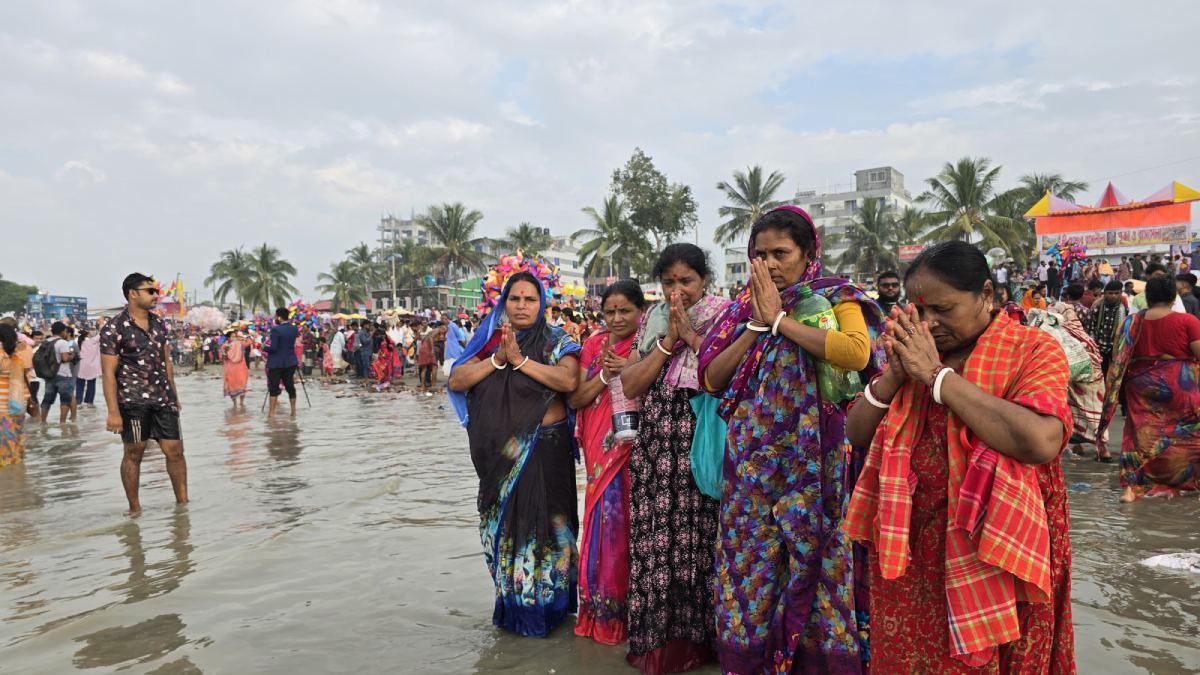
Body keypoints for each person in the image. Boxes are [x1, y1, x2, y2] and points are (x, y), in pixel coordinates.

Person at [844, 241, 1075, 672]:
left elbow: (1040, 441)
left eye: (944, 310)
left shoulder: (1033, 350)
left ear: (987, 294)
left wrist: (936, 377)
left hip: (994, 546)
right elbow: (856, 433)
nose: (930, 323)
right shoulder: (913, 354)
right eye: (921, 310)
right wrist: (895, 375)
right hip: (911, 548)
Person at [697, 206, 881, 673]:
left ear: (808, 254)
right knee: (750, 567)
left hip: (816, 463)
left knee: (818, 561)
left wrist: (780, 322)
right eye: (761, 255)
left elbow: (857, 353)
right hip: (752, 467)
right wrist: (757, 326)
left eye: (781, 253)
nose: (771, 264)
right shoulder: (743, 309)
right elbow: (712, 379)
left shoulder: (835, 296)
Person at [615, 243, 731, 674]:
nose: (677, 291)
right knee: (656, 542)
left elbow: (728, 375)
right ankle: (661, 648)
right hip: (656, 446)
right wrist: (669, 341)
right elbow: (631, 385)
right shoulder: (652, 320)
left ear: (704, 281)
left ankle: (707, 645)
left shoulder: (727, 315)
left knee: (703, 539)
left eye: (686, 281)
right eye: (668, 282)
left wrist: (694, 337)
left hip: (703, 441)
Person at [447, 271, 581, 638]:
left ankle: (547, 614)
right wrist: (498, 360)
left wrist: (521, 361)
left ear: (542, 303)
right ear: (503, 301)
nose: (522, 305)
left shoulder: (557, 340)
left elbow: (569, 381)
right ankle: (514, 613)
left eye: (530, 299)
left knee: (548, 533)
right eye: (515, 298)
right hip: (501, 461)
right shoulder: (490, 341)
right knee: (509, 534)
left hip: (545, 451)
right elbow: (457, 380)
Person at [568, 279, 647, 646]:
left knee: (635, 527)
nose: (616, 318)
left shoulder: (650, 342)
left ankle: (637, 615)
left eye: (624, 311)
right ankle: (603, 617)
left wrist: (630, 367)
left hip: (642, 448)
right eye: (609, 312)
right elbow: (577, 399)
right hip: (602, 452)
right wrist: (605, 373)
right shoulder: (593, 345)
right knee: (605, 522)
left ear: (641, 311)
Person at [1098, 277, 1200, 502]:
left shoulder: (1131, 321)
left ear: (1148, 297)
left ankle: (1131, 489)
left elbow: (1119, 356)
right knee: (1189, 433)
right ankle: (1189, 481)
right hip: (1179, 384)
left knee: (1138, 434)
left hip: (1141, 384)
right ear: (1174, 297)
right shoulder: (1188, 321)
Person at [100, 273, 187, 514]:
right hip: (132, 400)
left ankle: (183, 507)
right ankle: (134, 509)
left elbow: (166, 361)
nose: (156, 295)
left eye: (156, 291)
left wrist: (174, 395)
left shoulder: (159, 323)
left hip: (163, 398)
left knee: (175, 451)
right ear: (133, 293)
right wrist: (113, 412)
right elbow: (108, 373)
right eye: (150, 291)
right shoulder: (114, 328)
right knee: (134, 452)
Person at [1048, 289, 1110, 460]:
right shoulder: (1080, 332)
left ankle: (1083, 446)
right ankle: (1102, 448)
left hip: (1076, 378)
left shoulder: (1059, 333)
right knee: (1095, 413)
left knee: (1073, 411)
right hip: (1094, 379)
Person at [0, 324, 28, 467]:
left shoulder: (2, 356)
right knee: (16, 446)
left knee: (4, 450)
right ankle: (17, 481)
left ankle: (7, 484)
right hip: (17, 407)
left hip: (2, 410)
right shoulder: (17, 357)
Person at [264, 307, 299, 417]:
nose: (275, 318)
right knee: (290, 386)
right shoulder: (294, 329)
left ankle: (271, 414)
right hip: (291, 361)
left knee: (274, 388)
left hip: (276, 363)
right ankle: (293, 412)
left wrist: (264, 347)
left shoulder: (276, 330)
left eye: (275, 316)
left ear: (279, 317)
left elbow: (273, 348)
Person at [38, 321, 76, 424]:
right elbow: (64, 358)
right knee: (65, 400)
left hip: (49, 375)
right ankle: (62, 423)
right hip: (63, 374)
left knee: (47, 399)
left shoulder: (46, 341)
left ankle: (43, 421)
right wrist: (72, 356)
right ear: (63, 331)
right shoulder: (62, 342)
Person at [1090, 280, 1128, 377]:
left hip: (1114, 348)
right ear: (1105, 293)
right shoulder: (1097, 307)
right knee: (1098, 373)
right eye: (1110, 293)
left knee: (1111, 375)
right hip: (1098, 347)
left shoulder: (1124, 310)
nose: (1113, 296)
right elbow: (1091, 326)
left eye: (1116, 293)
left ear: (1121, 293)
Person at [221, 330, 250, 408]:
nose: (234, 338)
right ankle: (234, 404)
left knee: (242, 384)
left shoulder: (240, 343)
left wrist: (245, 336)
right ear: (228, 338)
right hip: (230, 369)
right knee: (232, 386)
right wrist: (225, 352)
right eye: (232, 336)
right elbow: (223, 357)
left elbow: (250, 342)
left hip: (241, 368)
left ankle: (242, 403)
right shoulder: (225, 345)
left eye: (235, 336)